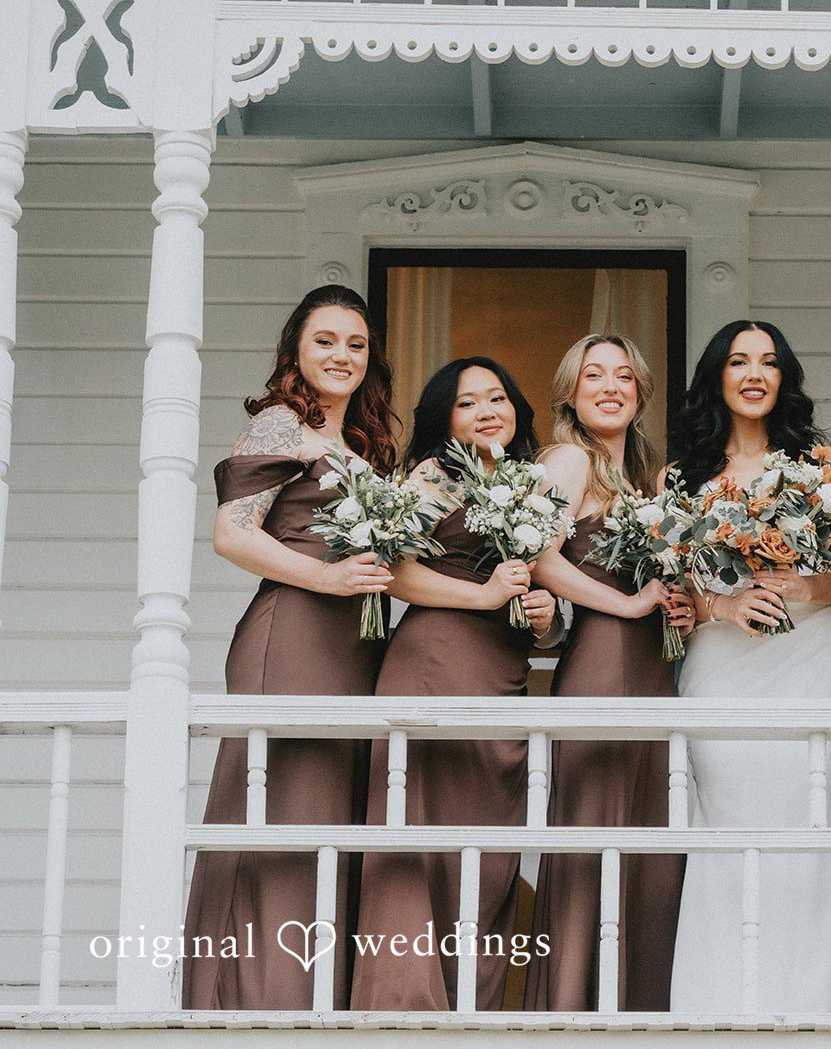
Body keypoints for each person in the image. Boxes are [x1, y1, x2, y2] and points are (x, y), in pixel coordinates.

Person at [184, 284, 397, 1009]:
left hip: (352, 649)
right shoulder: (279, 424)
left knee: (325, 826)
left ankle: (312, 1001)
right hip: (293, 635)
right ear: (295, 352)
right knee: (277, 821)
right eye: (325, 341)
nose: (342, 355)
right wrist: (329, 577)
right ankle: (245, 1001)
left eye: (356, 344)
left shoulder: (360, 445)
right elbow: (231, 533)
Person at [350, 357, 559, 1011]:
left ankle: (478, 1010)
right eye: (468, 402)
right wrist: (486, 593)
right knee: (424, 844)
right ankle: (407, 1008)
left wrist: (546, 618)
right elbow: (396, 574)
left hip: (502, 678)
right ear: (445, 417)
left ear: (519, 409)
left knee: (489, 858)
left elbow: (544, 596)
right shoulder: (436, 475)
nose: (487, 409)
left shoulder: (532, 484)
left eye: (497, 396)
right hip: (433, 665)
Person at [668, 320, 831, 1013]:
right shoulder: (683, 474)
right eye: (738, 361)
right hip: (722, 660)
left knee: (806, 828)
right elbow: (673, 584)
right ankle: (713, 1004)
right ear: (716, 375)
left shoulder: (822, 464)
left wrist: (798, 588)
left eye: (769, 361)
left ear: (785, 377)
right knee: (722, 824)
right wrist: (723, 605)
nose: (754, 373)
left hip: (807, 655)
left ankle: (805, 1007)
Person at [526, 334, 693, 1011]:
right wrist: (626, 601)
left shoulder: (650, 476)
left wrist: (676, 600)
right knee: (595, 841)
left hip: (654, 669)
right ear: (570, 390)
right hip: (601, 664)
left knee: (648, 852)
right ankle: (571, 1008)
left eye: (624, 375)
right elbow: (538, 556)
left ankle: (636, 1008)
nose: (610, 385)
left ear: (641, 392)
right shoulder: (568, 461)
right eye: (594, 375)